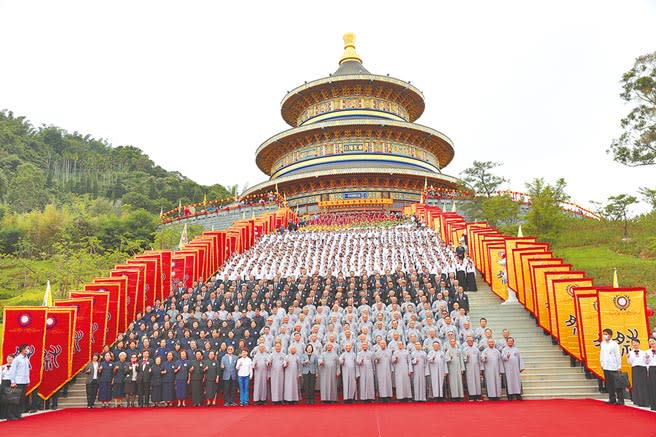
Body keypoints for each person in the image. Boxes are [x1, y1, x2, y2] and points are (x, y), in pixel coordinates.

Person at [5, 344, 30, 420]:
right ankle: (10, 415)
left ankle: (17, 414)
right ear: (22, 349)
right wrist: (13, 382)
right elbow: (13, 371)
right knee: (14, 399)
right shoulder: (17, 359)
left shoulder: (26, 358)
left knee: (21, 399)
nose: (28, 350)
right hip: (17, 382)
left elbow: (27, 371)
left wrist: (28, 380)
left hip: (24, 381)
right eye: (27, 348)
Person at [600, 328, 624, 405]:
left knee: (616, 383)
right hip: (606, 366)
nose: (605, 336)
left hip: (614, 366)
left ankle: (620, 399)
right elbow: (602, 354)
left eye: (606, 334)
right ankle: (612, 398)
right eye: (604, 334)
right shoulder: (602, 343)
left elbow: (618, 355)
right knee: (609, 383)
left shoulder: (614, 344)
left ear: (610, 335)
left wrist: (619, 366)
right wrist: (602, 363)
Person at [627, 339, 649, 407]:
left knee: (643, 384)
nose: (635, 344)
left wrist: (647, 358)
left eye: (636, 343)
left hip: (643, 368)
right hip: (635, 369)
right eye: (633, 343)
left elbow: (646, 362)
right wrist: (628, 358)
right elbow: (630, 363)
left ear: (639, 343)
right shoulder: (630, 353)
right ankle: (637, 401)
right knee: (636, 384)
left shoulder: (643, 352)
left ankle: (645, 401)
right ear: (632, 345)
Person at [462, 335, 482, 401]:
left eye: (471, 340)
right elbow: (464, 360)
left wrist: (481, 368)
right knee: (470, 381)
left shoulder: (476, 349)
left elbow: (479, 359)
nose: (470, 342)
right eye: (469, 341)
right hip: (469, 368)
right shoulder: (465, 350)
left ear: (473, 341)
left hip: (476, 367)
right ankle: (471, 396)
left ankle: (478, 396)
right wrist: (466, 357)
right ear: (467, 342)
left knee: (477, 381)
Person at [1, 354, 14, 419]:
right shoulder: (2, 367)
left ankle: (10, 414)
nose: (9, 359)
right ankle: (2, 415)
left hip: (11, 383)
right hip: (4, 383)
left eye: (11, 358)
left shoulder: (15, 367)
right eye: (8, 358)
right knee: (3, 399)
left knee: (11, 399)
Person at [646, 338, 656, 411]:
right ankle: (653, 405)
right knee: (653, 386)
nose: (652, 343)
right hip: (652, 369)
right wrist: (646, 358)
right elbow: (646, 362)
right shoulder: (647, 352)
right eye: (650, 342)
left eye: (653, 341)